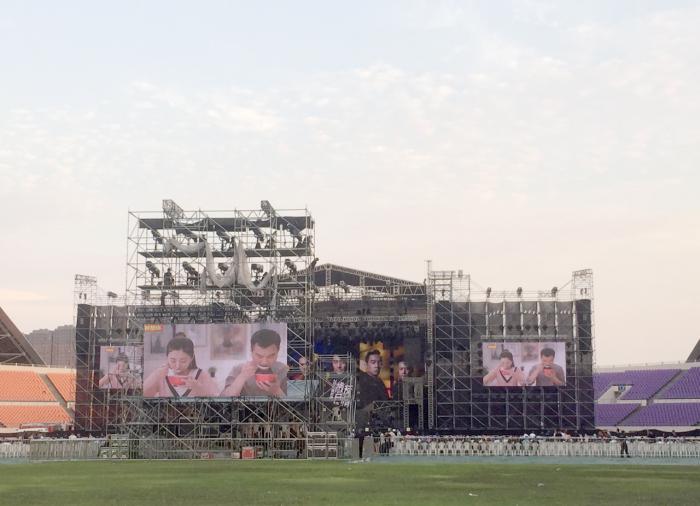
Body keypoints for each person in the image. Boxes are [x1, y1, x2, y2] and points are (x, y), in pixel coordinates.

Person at [143, 334, 218, 398]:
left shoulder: (201, 375)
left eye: (183, 361)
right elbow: (141, 397)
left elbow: (218, 403)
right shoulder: (161, 374)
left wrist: (199, 389)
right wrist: (157, 375)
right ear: (167, 357)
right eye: (173, 361)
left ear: (191, 358)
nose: (177, 366)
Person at [221, 328, 289, 397]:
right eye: (259, 356)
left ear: (278, 351)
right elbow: (223, 399)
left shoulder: (284, 371)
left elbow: (293, 401)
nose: (264, 362)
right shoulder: (238, 369)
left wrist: (277, 391)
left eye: (270, 356)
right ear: (251, 351)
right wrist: (242, 377)